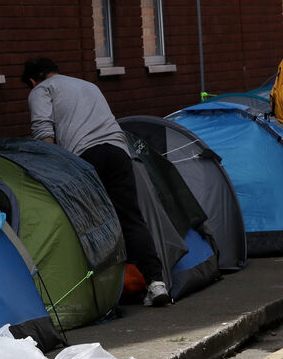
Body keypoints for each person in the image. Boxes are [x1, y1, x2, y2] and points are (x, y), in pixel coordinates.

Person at [21, 57, 171, 306]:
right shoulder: (88, 86)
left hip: (86, 157)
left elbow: (44, 134)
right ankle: (156, 283)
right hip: (119, 152)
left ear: (33, 80)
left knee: (89, 223)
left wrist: (50, 172)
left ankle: (102, 292)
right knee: (131, 218)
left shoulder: (41, 90)